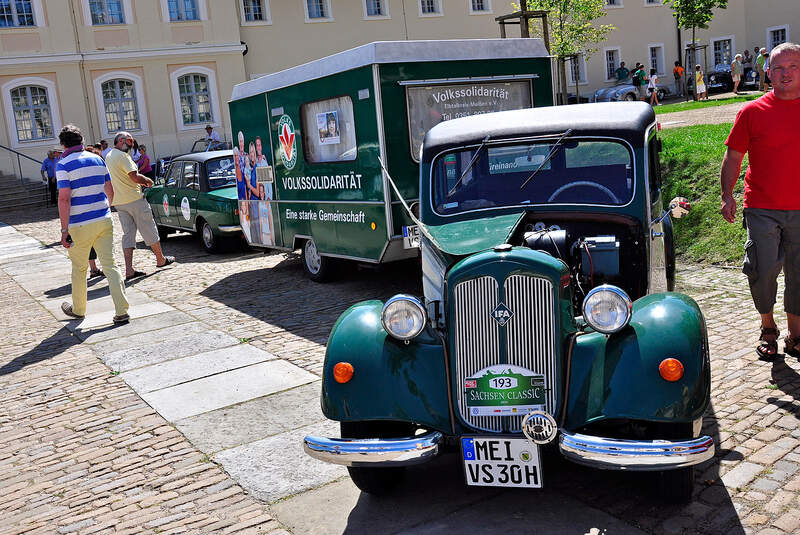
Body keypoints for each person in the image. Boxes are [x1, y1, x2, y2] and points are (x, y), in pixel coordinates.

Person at [720, 42, 800, 360]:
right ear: (768, 71)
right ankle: (768, 327)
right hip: (763, 207)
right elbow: (733, 157)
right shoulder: (752, 112)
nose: (785, 73)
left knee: (799, 272)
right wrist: (727, 195)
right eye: (778, 68)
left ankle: (796, 335)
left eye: (793, 66)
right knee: (763, 269)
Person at [55, 124, 128, 323]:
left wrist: (63, 230)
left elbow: (64, 199)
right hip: (103, 219)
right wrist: (106, 209)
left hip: (79, 223)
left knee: (79, 268)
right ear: (82, 141)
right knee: (111, 265)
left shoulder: (63, 165)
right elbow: (109, 189)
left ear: (63, 144)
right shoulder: (98, 158)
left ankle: (79, 309)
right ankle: (121, 309)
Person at [106, 131, 175, 280]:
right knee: (148, 228)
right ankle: (160, 259)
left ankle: (129, 269)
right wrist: (148, 181)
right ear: (121, 141)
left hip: (120, 201)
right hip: (134, 199)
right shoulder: (123, 157)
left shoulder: (109, 156)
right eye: (129, 141)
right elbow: (134, 177)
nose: (131, 145)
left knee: (128, 234)